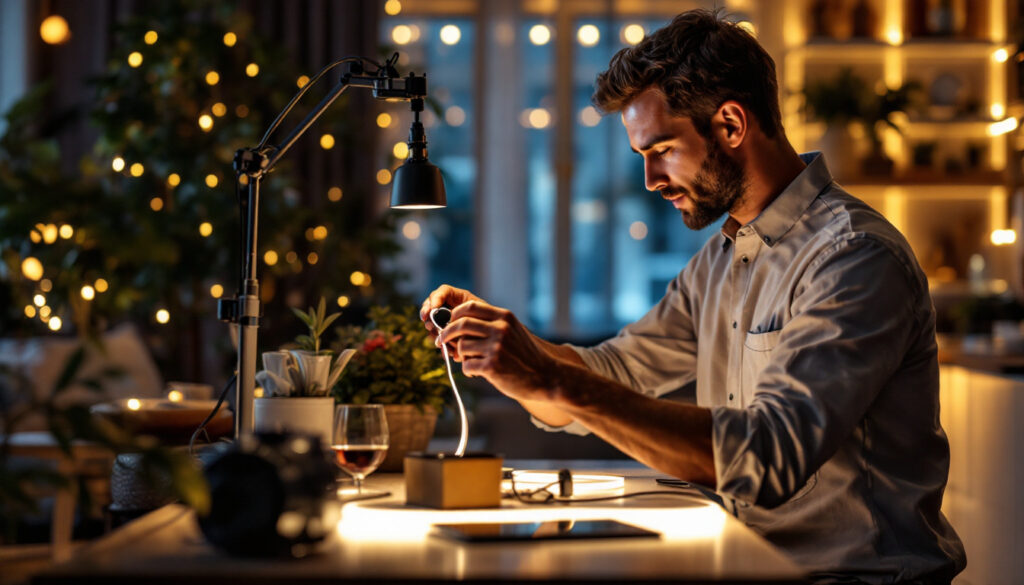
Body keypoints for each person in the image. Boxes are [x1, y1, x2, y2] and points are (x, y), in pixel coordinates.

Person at [420, 9, 965, 584]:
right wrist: (510, 351)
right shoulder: (721, 259)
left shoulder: (854, 258)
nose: (651, 180)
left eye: (662, 150)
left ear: (730, 125)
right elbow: (618, 371)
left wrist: (551, 379)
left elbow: (767, 457)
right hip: (746, 564)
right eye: (642, 158)